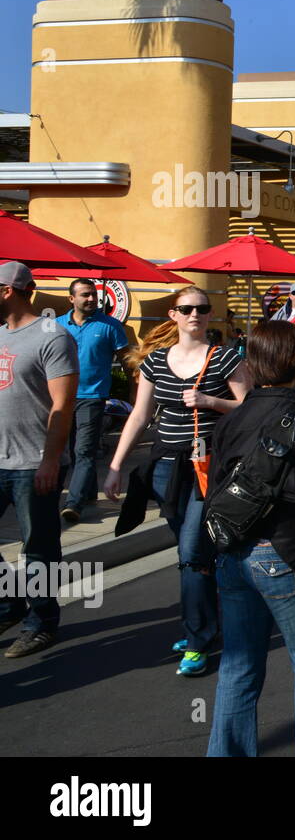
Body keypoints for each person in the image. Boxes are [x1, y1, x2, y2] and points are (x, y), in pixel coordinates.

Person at [205, 321, 295, 757]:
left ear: (254, 361)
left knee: (239, 667)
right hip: (285, 552)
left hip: (232, 549)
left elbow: (216, 483)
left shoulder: (234, 415)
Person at [107, 286, 250, 676]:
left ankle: (198, 639)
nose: (195, 315)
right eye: (187, 309)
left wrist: (212, 402)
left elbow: (249, 407)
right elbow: (139, 416)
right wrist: (117, 464)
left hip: (210, 466)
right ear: (173, 315)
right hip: (166, 467)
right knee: (192, 552)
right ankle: (212, 616)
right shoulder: (154, 362)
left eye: (203, 308)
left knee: (191, 552)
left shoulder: (225, 359)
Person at [0, 262, 78, 659]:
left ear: (7, 291)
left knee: (38, 549)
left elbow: (62, 405)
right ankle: (8, 604)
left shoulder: (52, 336)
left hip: (34, 461)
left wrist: (51, 461)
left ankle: (41, 621)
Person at [55, 277, 130, 525]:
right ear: (71, 299)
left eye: (93, 295)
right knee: (68, 451)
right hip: (61, 397)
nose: (90, 299)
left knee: (84, 450)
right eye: (85, 295)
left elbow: (128, 361)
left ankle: (73, 504)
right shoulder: (56, 326)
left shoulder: (110, 326)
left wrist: (134, 393)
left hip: (93, 397)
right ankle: (87, 493)